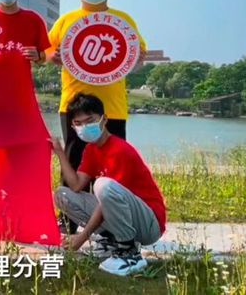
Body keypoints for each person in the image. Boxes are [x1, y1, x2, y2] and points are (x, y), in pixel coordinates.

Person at [45, 0, 146, 231]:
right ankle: (67, 221)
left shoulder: (123, 20)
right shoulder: (66, 20)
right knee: (74, 162)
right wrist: (52, 56)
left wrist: (137, 59)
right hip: (74, 105)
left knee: (114, 166)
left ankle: (112, 223)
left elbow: (138, 56)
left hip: (112, 108)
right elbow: (46, 51)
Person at [52, 93, 166, 276]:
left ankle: (129, 253)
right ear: (73, 126)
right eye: (78, 123)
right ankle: (112, 240)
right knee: (63, 195)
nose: (84, 127)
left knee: (103, 186)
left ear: (104, 120)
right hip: (125, 215)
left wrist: (82, 237)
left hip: (149, 225)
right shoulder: (91, 150)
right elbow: (76, 186)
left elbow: (107, 199)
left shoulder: (120, 150)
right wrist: (59, 152)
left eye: (90, 121)